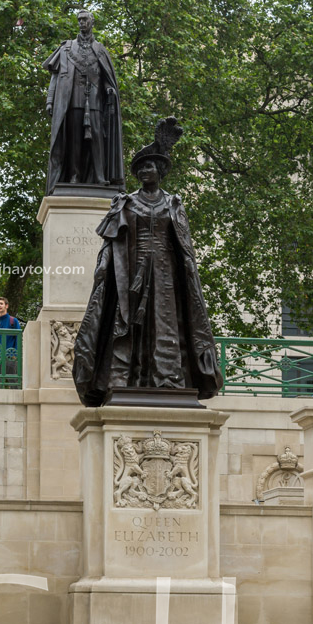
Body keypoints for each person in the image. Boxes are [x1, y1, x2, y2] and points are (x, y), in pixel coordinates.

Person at [73, 116, 223, 406]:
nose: (144, 170)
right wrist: (103, 272)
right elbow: (110, 242)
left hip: (167, 275)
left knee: (166, 325)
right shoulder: (125, 202)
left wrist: (190, 276)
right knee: (130, 325)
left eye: (149, 166)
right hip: (131, 272)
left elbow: (184, 247)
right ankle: (128, 379)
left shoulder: (173, 203)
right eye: (140, 167)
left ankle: (166, 380)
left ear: (161, 170)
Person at [43, 9, 124, 195]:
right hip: (72, 102)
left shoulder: (100, 50)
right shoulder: (66, 48)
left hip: (95, 102)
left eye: (85, 19)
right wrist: (50, 100)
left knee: (97, 138)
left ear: (92, 21)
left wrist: (108, 89)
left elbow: (106, 77)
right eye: (79, 20)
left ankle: (100, 175)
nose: (81, 23)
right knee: (75, 141)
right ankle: (75, 176)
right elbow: (55, 77)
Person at [0, 297, 21, 387]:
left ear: (6, 306)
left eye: (1, 304)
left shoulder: (13, 321)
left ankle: (16, 400)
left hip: (10, 355)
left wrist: (15, 353)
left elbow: (18, 338)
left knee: (13, 380)